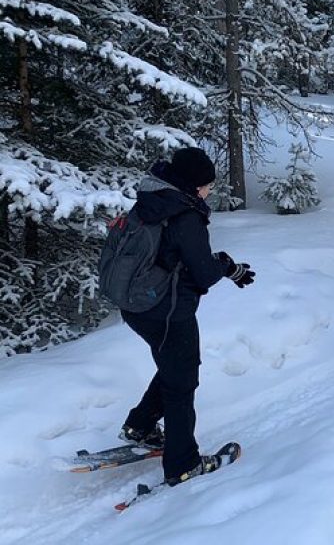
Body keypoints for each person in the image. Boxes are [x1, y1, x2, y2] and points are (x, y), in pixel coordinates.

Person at [118, 147, 255, 486]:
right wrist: (227, 266)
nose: (209, 191)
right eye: (207, 185)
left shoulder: (152, 199)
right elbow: (205, 272)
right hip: (166, 310)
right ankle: (182, 464)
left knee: (173, 364)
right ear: (193, 185)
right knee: (182, 381)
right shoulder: (185, 214)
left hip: (137, 306)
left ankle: (141, 425)